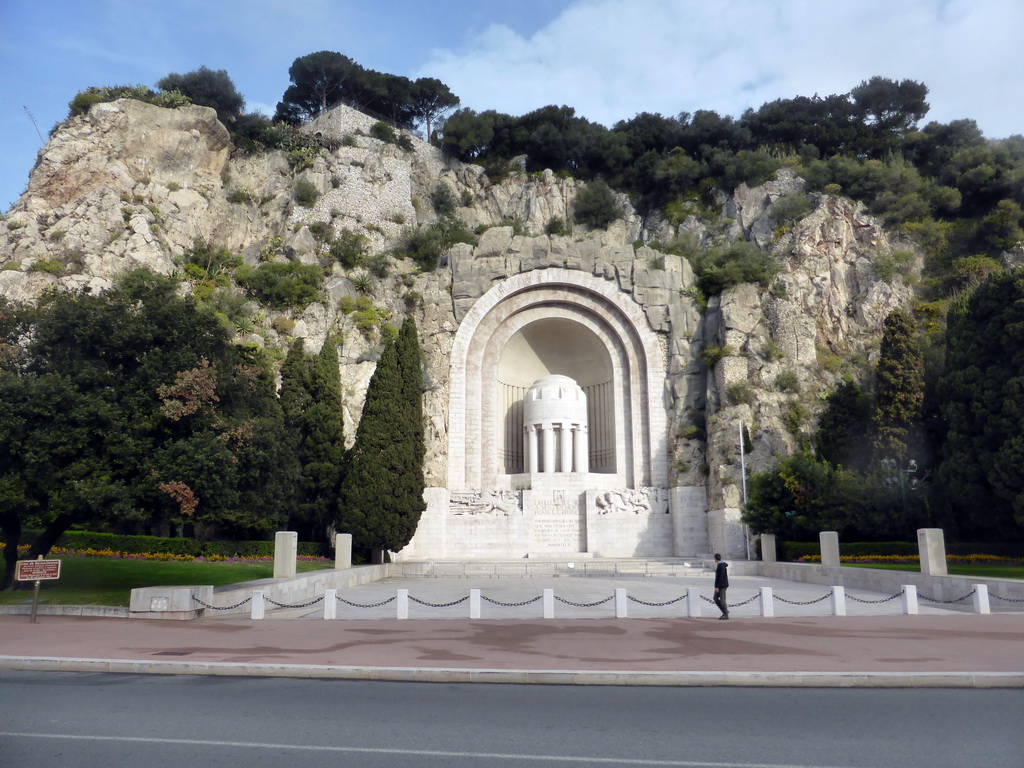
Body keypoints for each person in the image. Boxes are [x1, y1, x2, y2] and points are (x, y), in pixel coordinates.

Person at [713, 553, 729, 619]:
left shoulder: (721, 566)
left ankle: (725, 613)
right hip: (721, 585)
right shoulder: (721, 565)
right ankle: (725, 611)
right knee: (715, 598)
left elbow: (720, 577)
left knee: (722, 600)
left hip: (722, 586)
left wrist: (717, 587)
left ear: (715, 559)